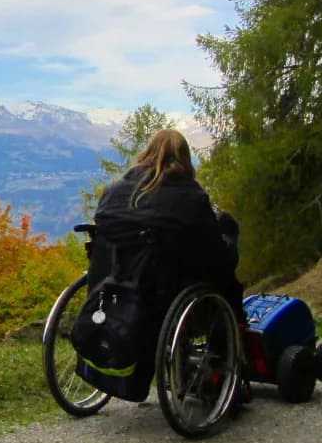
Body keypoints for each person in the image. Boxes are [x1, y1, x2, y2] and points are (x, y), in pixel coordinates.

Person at [92, 128, 244, 319]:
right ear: (184, 159)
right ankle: (231, 338)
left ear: (147, 153)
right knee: (225, 235)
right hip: (164, 302)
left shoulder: (112, 193)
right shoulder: (191, 197)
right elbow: (215, 260)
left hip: (112, 294)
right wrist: (229, 239)